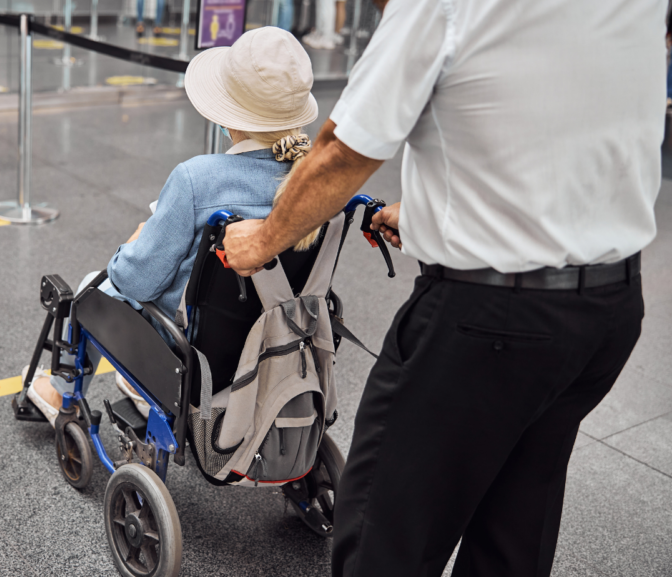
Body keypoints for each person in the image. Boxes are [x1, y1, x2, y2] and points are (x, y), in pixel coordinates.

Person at [221, 0, 663, 576]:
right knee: (513, 531)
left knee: (385, 539)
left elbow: (340, 152)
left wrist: (263, 242)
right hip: (609, 307)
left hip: (489, 324)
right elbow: (567, 99)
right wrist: (442, 215)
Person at [22, 27, 323, 425]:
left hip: (187, 348)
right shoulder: (316, 183)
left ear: (229, 115)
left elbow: (136, 282)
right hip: (273, 342)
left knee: (94, 285)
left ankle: (62, 394)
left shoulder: (197, 179)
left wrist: (134, 245)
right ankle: (139, 388)